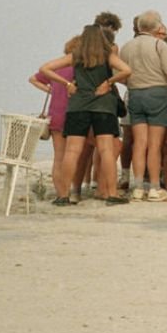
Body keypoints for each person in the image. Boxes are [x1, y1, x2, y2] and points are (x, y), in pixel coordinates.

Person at [43, 25, 131, 204]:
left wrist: (67, 84)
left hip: (78, 106)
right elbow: (127, 70)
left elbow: (45, 68)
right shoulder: (107, 56)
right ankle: (112, 194)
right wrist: (108, 82)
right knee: (106, 150)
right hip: (103, 107)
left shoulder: (76, 56)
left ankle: (64, 195)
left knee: (72, 151)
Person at [117, 12, 167, 201]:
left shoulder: (127, 47)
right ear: (157, 27)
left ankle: (137, 186)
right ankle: (153, 186)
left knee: (139, 142)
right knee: (154, 144)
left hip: (135, 93)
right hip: (158, 93)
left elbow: (121, 74)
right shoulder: (160, 45)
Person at [31, 39, 75, 190]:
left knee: (58, 157)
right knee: (73, 154)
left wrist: (51, 90)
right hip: (71, 113)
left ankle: (60, 192)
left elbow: (33, 79)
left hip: (54, 114)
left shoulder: (56, 69)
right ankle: (70, 189)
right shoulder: (77, 69)